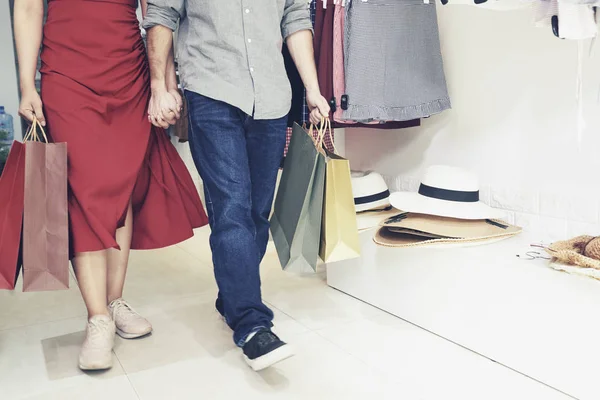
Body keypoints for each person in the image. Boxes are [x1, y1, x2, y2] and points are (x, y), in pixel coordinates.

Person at [13, 0, 208, 371]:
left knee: (123, 183)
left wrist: (165, 84)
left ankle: (115, 301)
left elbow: (156, 12)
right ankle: (97, 317)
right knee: (83, 187)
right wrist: (26, 84)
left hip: (129, 70)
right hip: (66, 72)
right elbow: (26, 7)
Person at [143, 0, 330, 371]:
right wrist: (157, 87)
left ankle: (232, 295)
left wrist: (312, 88)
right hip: (211, 92)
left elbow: (294, 17)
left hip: (273, 97)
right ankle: (250, 323)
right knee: (232, 209)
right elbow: (162, 15)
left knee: (257, 212)